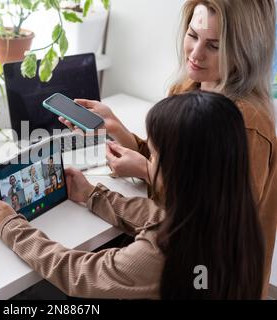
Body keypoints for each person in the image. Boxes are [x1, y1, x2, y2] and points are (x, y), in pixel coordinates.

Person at [59, 0, 277, 297]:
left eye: (214, 46)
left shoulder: (248, 128)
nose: (196, 54)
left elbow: (213, 223)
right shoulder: (189, 86)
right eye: (192, 35)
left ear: (243, 51)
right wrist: (117, 129)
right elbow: (178, 163)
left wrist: (147, 171)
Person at [0, 92, 264, 299]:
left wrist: (12, 227)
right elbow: (159, 217)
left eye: (153, 155)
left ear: (180, 172)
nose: (148, 159)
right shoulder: (236, 220)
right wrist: (92, 195)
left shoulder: (162, 253)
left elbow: (79, 273)